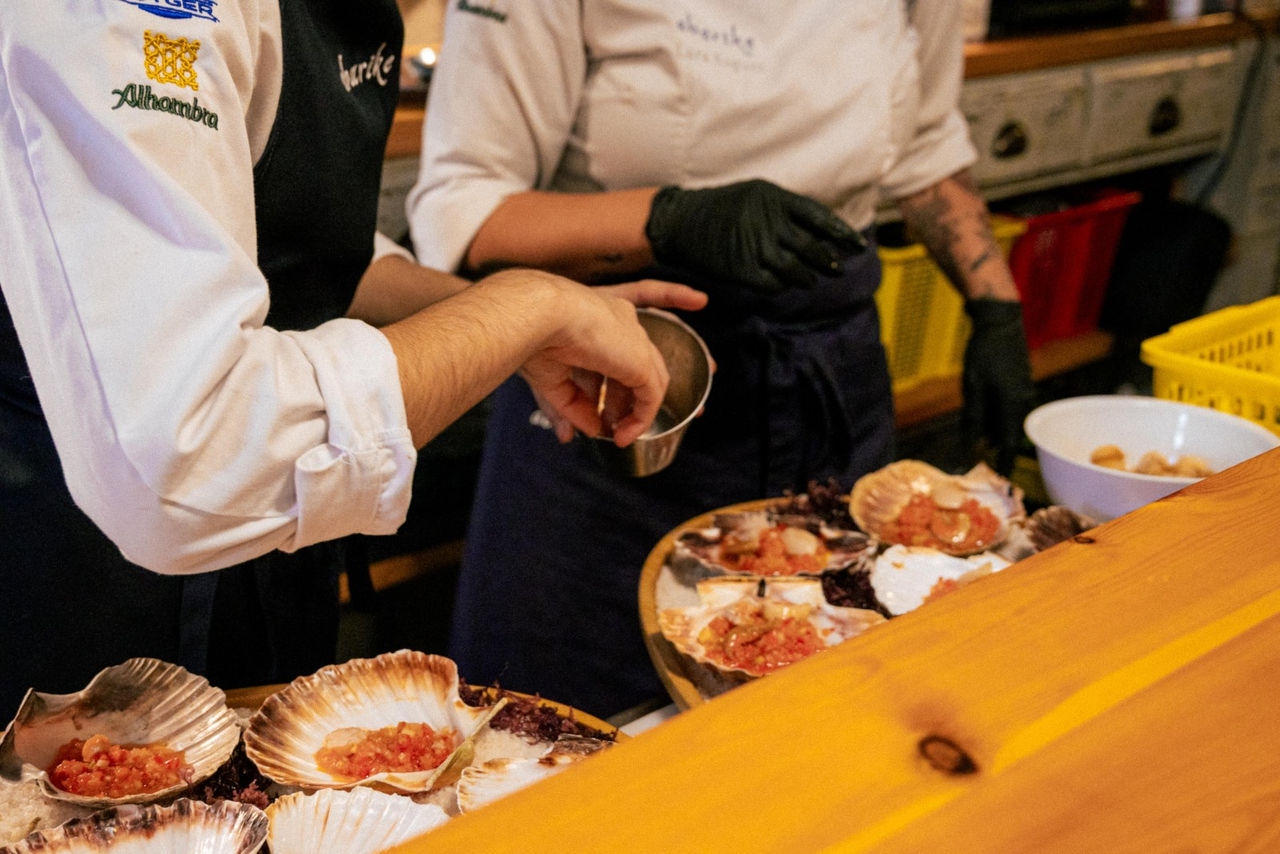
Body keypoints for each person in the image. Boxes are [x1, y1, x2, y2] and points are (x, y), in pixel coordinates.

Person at [0, 0, 704, 718]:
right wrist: (529, 309)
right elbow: (189, 450)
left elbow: (296, 247)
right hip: (70, 579)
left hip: (269, 570)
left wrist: (518, 324)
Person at [405, 1, 1037, 719]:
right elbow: (466, 211)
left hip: (827, 384)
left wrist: (994, 304)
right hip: (620, 395)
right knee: (567, 728)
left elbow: (924, 143)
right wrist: (673, 219)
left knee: (829, 710)